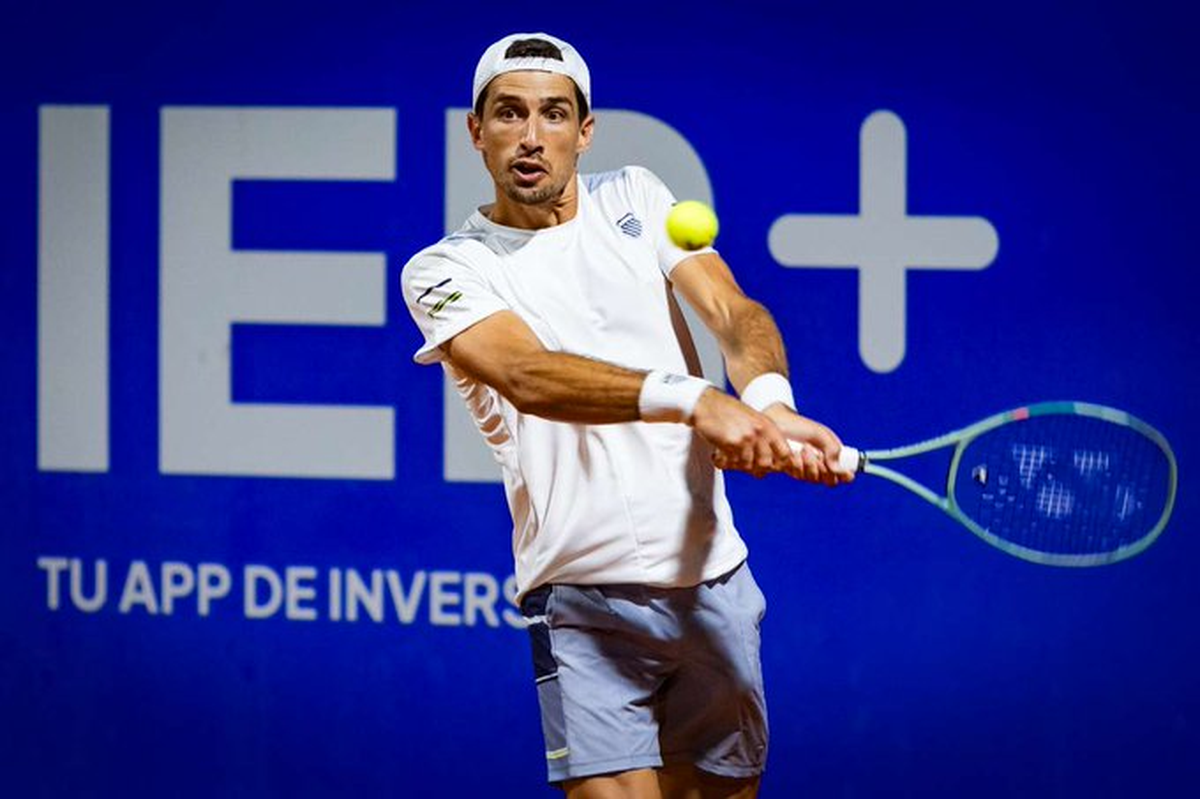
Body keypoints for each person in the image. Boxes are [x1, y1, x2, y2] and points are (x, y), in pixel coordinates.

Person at [402, 32, 851, 799]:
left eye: (554, 114)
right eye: (509, 115)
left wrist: (770, 404)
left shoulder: (637, 197)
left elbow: (733, 311)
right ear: (476, 133)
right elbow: (527, 373)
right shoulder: (445, 269)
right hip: (580, 599)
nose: (532, 136)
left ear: (586, 131)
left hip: (712, 582)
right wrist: (697, 401)